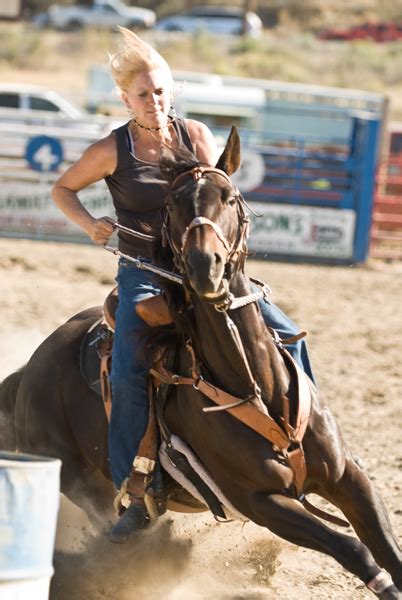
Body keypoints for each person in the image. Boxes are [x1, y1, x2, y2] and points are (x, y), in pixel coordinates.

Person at [51, 27, 315, 544]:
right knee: (127, 368)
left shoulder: (197, 137)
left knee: (286, 332)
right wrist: (90, 225)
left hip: (197, 270)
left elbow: (216, 195)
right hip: (144, 273)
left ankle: (306, 435)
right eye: (144, 94)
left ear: (173, 92)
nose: (155, 101)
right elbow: (63, 188)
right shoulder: (112, 150)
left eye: (162, 91)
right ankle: (136, 486)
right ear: (126, 99)